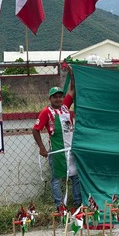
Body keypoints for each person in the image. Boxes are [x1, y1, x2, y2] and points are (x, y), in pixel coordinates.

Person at [32, 65, 81, 210]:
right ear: (50, 98)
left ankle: (78, 203)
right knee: (57, 178)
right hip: (57, 150)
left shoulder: (66, 106)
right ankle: (59, 205)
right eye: (55, 97)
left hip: (71, 147)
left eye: (60, 96)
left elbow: (73, 89)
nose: (59, 99)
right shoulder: (46, 112)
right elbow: (36, 130)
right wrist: (42, 148)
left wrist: (71, 73)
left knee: (76, 176)